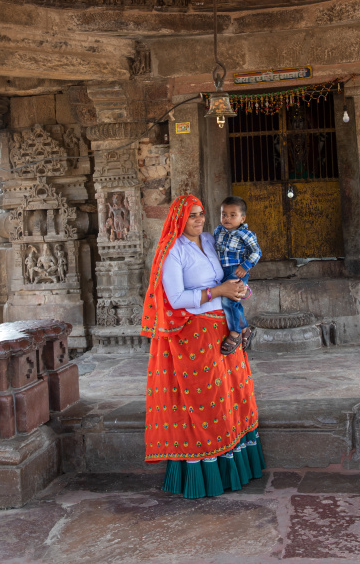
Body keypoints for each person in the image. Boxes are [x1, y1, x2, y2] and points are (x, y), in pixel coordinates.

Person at [141, 194, 265, 499]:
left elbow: (227, 273)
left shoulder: (211, 240)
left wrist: (238, 290)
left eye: (201, 214)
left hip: (223, 331)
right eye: (192, 215)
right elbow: (176, 298)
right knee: (204, 403)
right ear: (179, 219)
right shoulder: (172, 251)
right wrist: (218, 291)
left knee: (231, 397)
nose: (199, 220)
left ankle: (237, 467)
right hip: (193, 336)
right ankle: (205, 476)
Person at [214, 196, 261, 355]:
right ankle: (245, 329)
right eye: (224, 214)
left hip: (237, 269)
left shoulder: (245, 234)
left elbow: (256, 252)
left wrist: (245, 266)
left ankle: (235, 333)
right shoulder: (218, 230)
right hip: (223, 271)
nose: (227, 218)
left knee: (230, 299)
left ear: (242, 218)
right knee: (232, 302)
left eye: (232, 215)